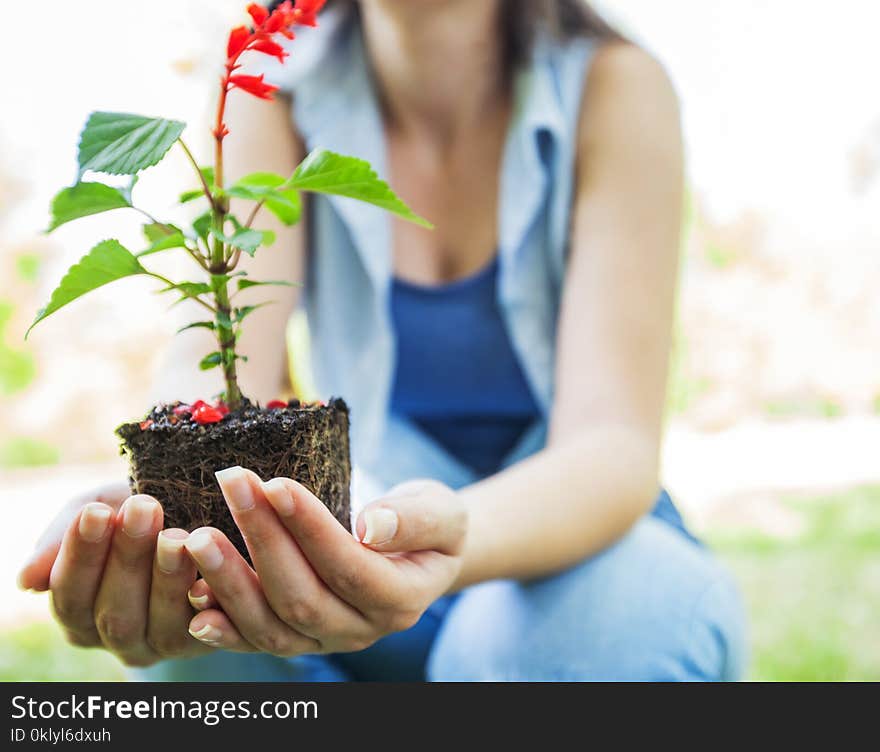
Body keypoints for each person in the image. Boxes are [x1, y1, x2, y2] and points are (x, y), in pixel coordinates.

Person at [18, 0, 746, 681]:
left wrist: (439, 542)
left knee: (535, 642)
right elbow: (215, 354)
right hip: (368, 539)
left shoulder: (613, 85)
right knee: (204, 632)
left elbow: (613, 447)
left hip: (571, 547)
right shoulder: (273, 81)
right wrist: (161, 511)